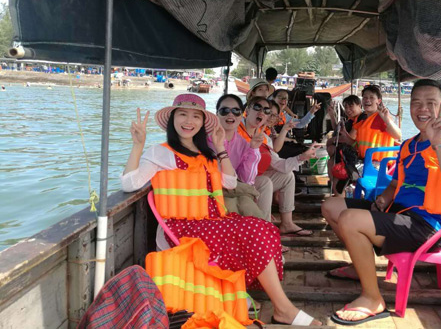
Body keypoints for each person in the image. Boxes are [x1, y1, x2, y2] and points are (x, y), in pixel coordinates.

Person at [121, 93, 321, 326]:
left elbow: (230, 182)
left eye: (196, 116)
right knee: (253, 230)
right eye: (183, 114)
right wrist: (138, 146)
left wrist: (219, 148)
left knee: (265, 229)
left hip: (210, 223)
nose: (189, 121)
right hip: (181, 228)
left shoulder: (204, 153)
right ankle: (283, 309)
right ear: (173, 119)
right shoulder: (160, 152)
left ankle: (271, 304)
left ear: (202, 122)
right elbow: (129, 184)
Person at [322, 79, 441, 325]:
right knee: (330, 206)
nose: (422, 109)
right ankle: (359, 266)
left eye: (431, 103)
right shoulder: (408, 145)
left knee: (350, 219)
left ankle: (373, 299)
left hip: (428, 227)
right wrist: (384, 197)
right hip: (399, 214)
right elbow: (395, 184)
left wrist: (439, 144)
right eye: (416, 103)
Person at [237, 96, 317, 236]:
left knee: (287, 176)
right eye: (257, 107)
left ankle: (287, 223)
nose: (262, 113)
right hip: (237, 181)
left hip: (253, 179)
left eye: (266, 111)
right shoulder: (235, 130)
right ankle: (265, 233)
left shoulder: (264, 138)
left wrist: (302, 157)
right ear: (247, 110)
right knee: (265, 182)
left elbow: (279, 164)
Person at [211, 94, 265, 219]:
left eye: (236, 111)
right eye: (224, 110)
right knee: (233, 206)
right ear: (217, 114)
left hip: (233, 189)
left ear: (241, 115)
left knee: (248, 206)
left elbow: (246, 179)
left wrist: (253, 149)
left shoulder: (243, 143)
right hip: (213, 190)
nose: (230, 114)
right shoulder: (206, 139)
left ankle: (266, 228)